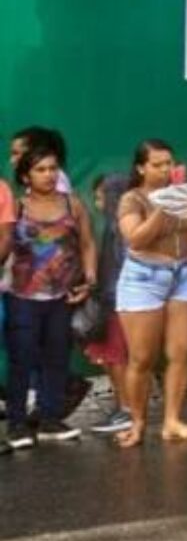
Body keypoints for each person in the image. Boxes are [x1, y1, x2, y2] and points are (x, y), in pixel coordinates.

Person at [115, 140, 187, 448]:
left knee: (182, 351)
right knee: (142, 358)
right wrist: (165, 205)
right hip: (144, 277)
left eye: (169, 162)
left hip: (182, 276)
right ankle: (138, 423)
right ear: (141, 168)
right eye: (157, 164)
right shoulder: (132, 199)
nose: (166, 169)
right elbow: (136, 239)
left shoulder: (184, 193)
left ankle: (171, 421)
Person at [7, 146, 97, 448]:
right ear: (26, 176)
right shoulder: (17, 208)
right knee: (22, 359)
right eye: (41, 170)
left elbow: (87, 244)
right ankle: (17, 425)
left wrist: (90, 278)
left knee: (57, 358)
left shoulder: (73, 205)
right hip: (22, 296)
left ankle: (50, 419)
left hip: (63, 296)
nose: (49, 174)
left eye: (53, 168)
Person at [84, 173, 135, 436]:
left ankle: (127, 410)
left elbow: (125, 266)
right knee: (111, 356)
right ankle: (123, 408)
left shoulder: (119, 229)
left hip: (118, 301)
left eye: (100, 196)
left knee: (116, 357)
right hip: (113, 300)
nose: (97, 203)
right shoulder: (112, 226)